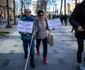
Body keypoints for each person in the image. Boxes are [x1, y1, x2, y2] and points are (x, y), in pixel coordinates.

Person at [69, 0, 85, 70]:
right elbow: (71, 18)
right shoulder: (79, 6)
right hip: (80, 31)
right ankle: (79, 63)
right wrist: (77, 26)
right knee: (81, 48)